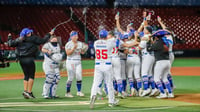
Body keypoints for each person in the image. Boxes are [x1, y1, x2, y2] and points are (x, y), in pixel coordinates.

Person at [8, 28, 53, 99]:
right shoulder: (33, 38)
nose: (31, 33)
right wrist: (49, 34)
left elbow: (10, 44)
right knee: (31, 75)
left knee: (26, 75)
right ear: (28, 33)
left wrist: (9, 37)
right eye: (30, 32)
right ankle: (29, 92)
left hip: (21, 60)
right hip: (29, 59)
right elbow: (43, 40)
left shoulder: (19, 39)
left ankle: (25, 91)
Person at [90, 29, 119, 108]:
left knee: (95, 83)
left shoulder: (95, 43)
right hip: (107, 65)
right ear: (106, 36)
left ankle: (93, 95)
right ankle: (111, 101)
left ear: (99, 36)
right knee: (109, 84)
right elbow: (116, 43)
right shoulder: (109, 43)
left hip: (98, 65)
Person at [147, 29, 174, 98]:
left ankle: (163, 93)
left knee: (156, 79)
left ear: (156, 37)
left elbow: (149, 49)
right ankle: (170, 93)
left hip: (160, 62)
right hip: (167, 62)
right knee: (165, 78)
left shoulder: (158, 43)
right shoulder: (166, 42)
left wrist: (148, 41)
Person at [65, 31, 88, 97]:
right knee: (70, 77)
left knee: (79, 76)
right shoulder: (68, 44)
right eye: (75, 36)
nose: (76, 37)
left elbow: (82, 52)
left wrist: (84, 49)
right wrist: (74, 48)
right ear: (71, 37)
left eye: (77, 36)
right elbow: (68, 53)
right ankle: (67, 92)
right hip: (70, 61)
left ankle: (79, 91)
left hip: (78, 61)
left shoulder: (80, 43)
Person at [157, 16, 175, 89]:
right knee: (166, 71)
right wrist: (160, 22)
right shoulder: (168, 36)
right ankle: (170, 85)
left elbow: (166, 30)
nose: (164, 31)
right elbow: (165, 29)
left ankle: (170, 85)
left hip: (168, 54)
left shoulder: (169, 37)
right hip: (168, 54)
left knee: (166, 71)